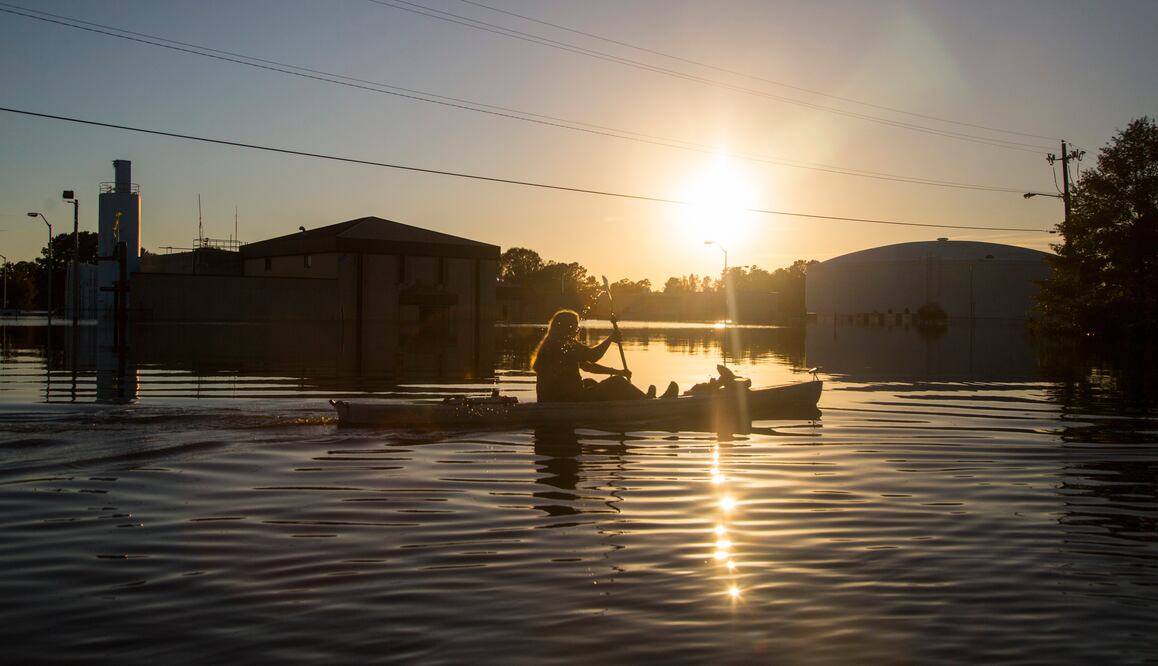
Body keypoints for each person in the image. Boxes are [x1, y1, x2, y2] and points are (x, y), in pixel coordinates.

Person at [531, 309, 673, 402]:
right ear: (565, 327)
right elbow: (593, 356)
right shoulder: (565, 344)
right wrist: (611, 338)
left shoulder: (551, 344)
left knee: (590, 382)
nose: (576, 329)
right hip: (564, 401)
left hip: (552, 399)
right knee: (617, 383)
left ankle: (627, 404)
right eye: (574, 326)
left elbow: (587, 366)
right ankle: (647, 402)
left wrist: (616, 371)